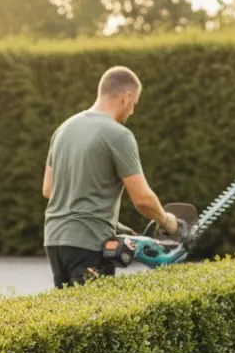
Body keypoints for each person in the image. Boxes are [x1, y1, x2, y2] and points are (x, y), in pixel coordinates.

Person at [42, 66, 178, 288]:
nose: (132, 111)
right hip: (89, 245)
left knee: (69, 315)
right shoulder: (118, 135)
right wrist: (168, 222)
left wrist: (115, 225)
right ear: (127, 97)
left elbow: (49, 189)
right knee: (91, 318)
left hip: (55, 240)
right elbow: (143, 200)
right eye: (134, 104)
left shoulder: (64, 129)